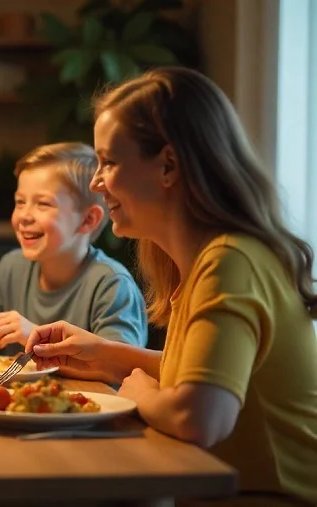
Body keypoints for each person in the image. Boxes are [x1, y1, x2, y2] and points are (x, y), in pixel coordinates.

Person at [25, 67, 317, 505]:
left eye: (109, 162)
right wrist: (107, 358)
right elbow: (208, 376)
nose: (95, 181)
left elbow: (199, 418)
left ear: (168, 165)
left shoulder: (230, 262)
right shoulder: (207, 258)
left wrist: (137, 388)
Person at [0, 142, 148, 357]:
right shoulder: (12, 267)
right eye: (20, 202)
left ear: (88, 220)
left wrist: (36, 338)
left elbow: (120, 367)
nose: (24, 216)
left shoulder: (112, 285)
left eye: (43, 203)